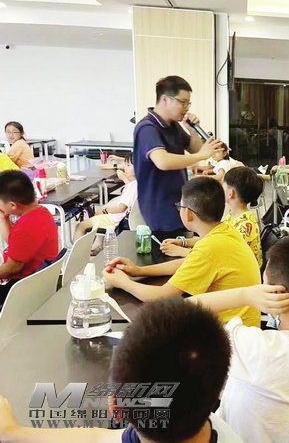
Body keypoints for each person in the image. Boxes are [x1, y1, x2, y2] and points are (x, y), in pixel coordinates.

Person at [0, 299, 242, 442]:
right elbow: (99, 438)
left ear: (115, 407)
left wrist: (13, 432)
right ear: (219, 393)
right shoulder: (217, 429)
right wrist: (14, 432)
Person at [186, 236, 289, 443]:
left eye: (263, 284)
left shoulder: (259, 347)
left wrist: (245, 295)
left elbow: (182, 311)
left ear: (277, 293)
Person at [103, 177, 261, 327]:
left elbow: (162, 296)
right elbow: (187, 262)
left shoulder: (210, 247)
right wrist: (139, 270)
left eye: (180, 206)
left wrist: (123, 282)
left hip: (232, 334)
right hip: (242, 326)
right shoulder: (224, 231)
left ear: (189, 213)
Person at [133, 75, 218, 233]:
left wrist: (193, 131)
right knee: (170, 246)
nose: (186, 108)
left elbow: (194, 149)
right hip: (161, 208)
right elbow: (163, 161)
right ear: (165, 99)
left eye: (188, 103)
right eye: (183, 102)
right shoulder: (147, 128)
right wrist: (202, 156)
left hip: (178, 202)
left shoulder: (173, 126)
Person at [161, 167, 264, 266]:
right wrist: (183, 242)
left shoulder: (245, 225)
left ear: (230, 193)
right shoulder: (234, 215)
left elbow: (218, 256)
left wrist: (181, 251)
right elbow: (211, 240)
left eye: (223, 184)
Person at [0, 171, 58, 304]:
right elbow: (17, 245)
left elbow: (12, 268)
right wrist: (3, 219)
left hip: (23, 287)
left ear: (13, 205)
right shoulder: (41, 213)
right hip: (40, 279)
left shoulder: (25, 227)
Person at [74, 153, 137, 239]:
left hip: (115, 220)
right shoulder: (139, 183)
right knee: (95, 216)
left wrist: (105, 210)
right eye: (125, 165)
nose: (124, 168)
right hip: (122, 218)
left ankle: (81, 248)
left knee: (80, 226)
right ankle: (90, 245)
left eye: (128, 165)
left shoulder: (132, 186)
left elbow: (121, 208)